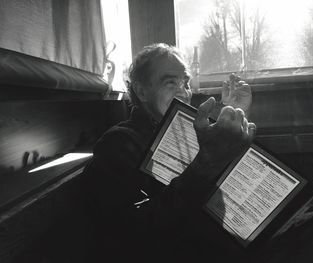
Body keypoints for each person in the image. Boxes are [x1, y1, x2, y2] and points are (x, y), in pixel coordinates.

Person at [84, 43, 256, 262]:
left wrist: (234, 116)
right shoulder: (118, 143)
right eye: (171, 82)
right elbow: (132, 236)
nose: (184, 92)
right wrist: (205, 164)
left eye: (185, 82)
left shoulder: (189, 135)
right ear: (142, 90)